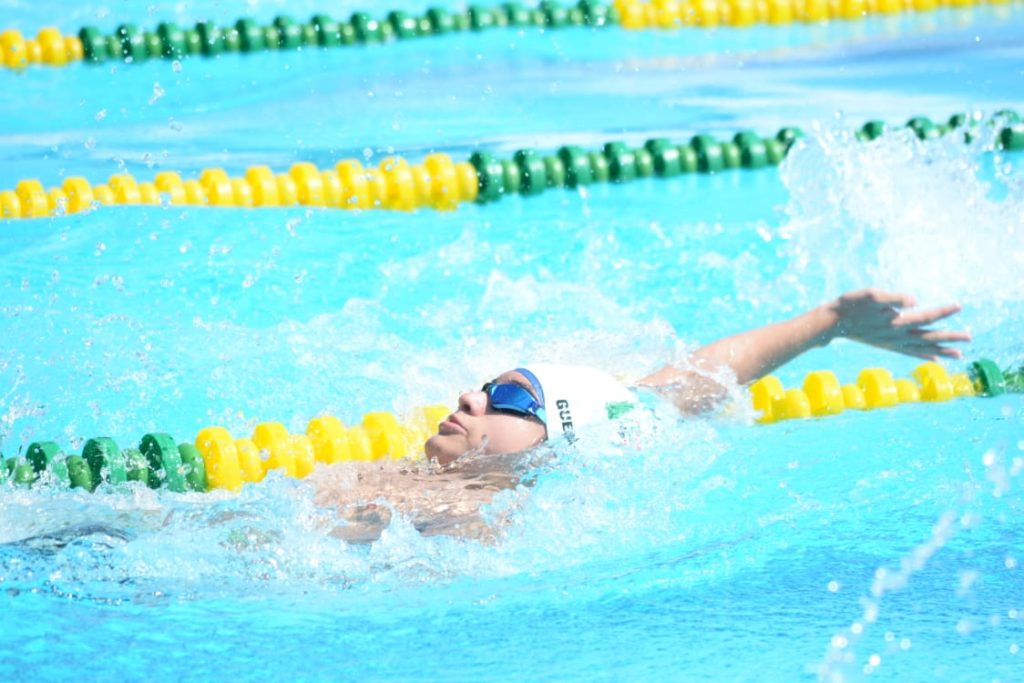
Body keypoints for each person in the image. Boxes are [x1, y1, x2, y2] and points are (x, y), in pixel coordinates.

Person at [314, 288, 970, 543]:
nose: (468, 398)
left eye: (508, 398)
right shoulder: (394, 489)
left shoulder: (478, 527)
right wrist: (826, 323)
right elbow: (694, 380)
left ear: (555, 442)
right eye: (486, 386)